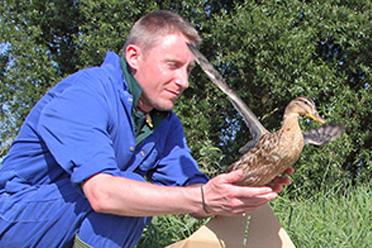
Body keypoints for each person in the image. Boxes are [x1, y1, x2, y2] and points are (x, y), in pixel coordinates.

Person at [0, 10, 292, 247]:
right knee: (124, 195)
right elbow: (103, 193)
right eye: (172, 65)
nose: (184, 81)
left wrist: (244, 188)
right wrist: (201, 197)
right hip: (15, 221)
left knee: (131, 195)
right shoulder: (86, 94)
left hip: (68, 221)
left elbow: (194, 191)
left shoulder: (165, 123)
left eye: (188, 70)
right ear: (133, 56)